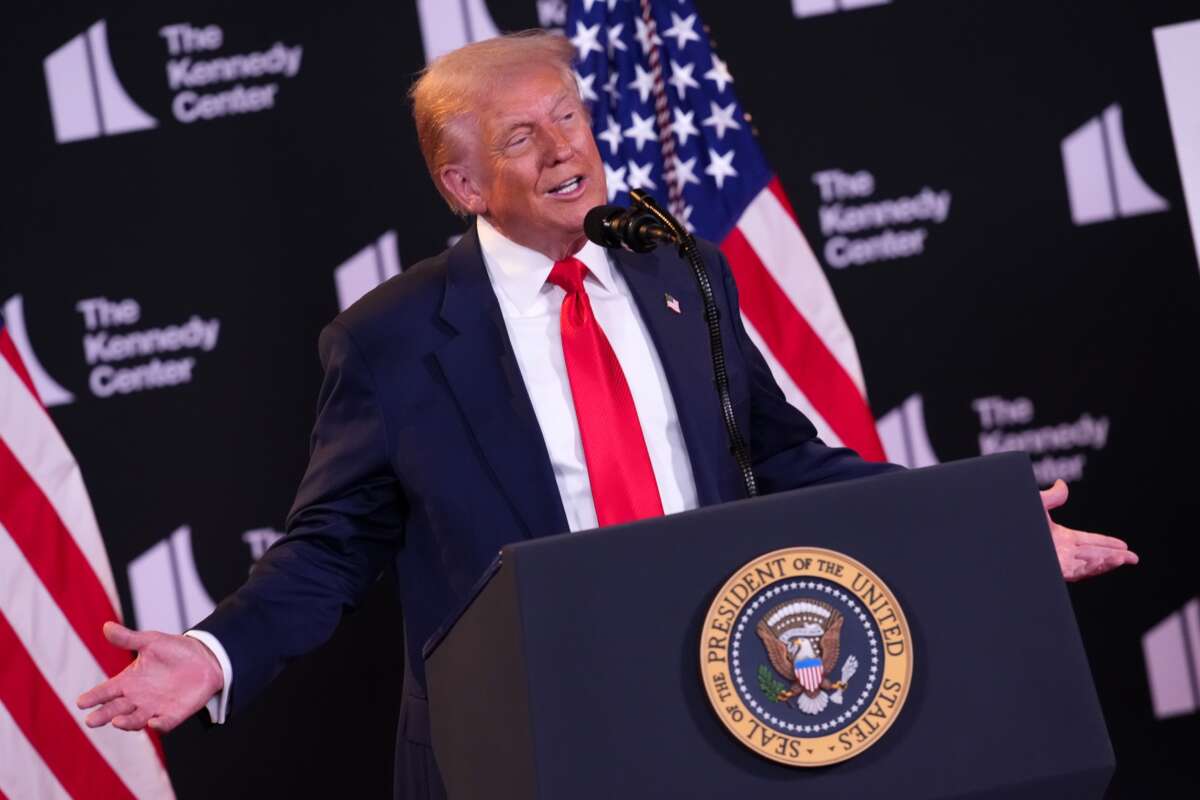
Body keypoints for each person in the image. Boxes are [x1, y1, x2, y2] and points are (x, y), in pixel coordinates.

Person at [77, 31, 1138, 800]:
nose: (562, 148)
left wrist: (990, 531)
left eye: (570, 116)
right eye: (521, 135)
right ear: (461, 180)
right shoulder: (392, 339)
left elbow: (783, 456)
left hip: (722, 702)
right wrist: (214, 651)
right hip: (530, 736)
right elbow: (331, 545)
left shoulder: (681, 271)